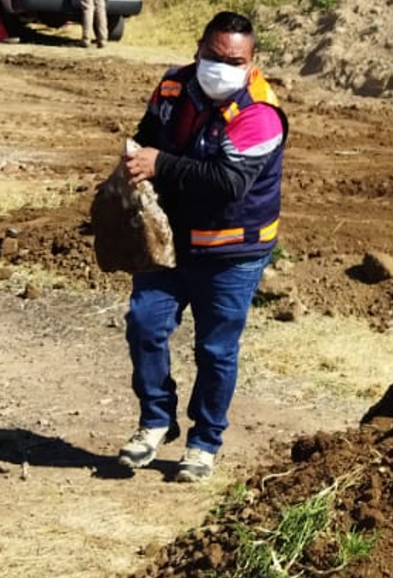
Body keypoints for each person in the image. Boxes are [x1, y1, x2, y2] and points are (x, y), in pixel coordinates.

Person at [117, 11, 288, 482]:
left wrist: (160, 164)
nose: (221, 68)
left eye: (234, 61)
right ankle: (156, 420)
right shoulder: (173, 86)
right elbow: (148, 135)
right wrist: (133, 160)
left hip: (232, 252)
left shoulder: (259, 113)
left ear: (251, 61)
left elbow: (227, 184)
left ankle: (204, 442)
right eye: (214, 56)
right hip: (171, 241)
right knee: (144, 323)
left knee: (215, 350)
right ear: (198, 48)